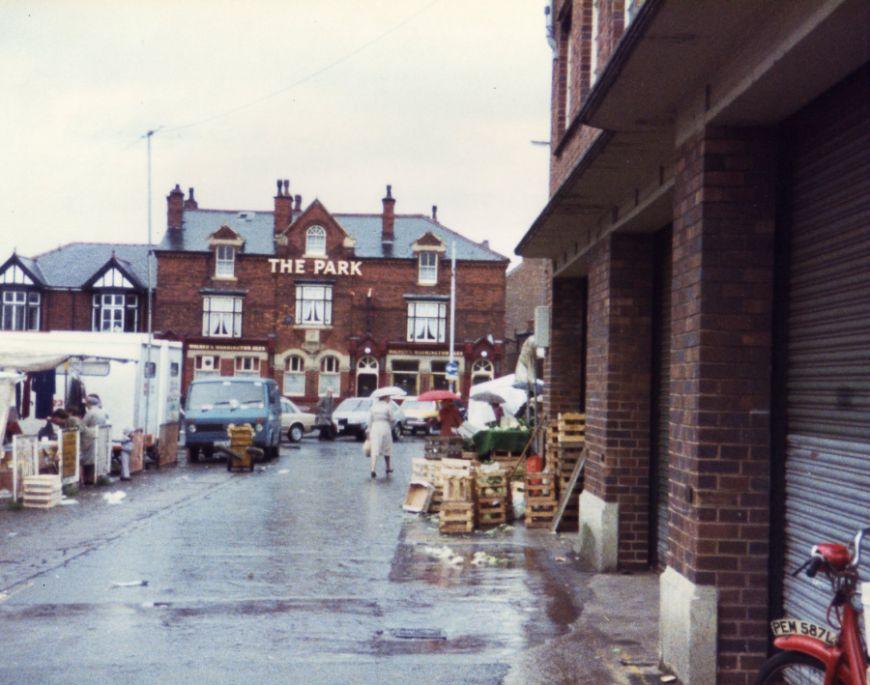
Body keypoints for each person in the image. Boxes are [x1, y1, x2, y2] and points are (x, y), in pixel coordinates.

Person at [367, 395, 394, 479]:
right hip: (385, 427)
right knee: (387, 448)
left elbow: (369, 420)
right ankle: (388, 467)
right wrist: (391, 425)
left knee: (374, 449)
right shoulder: (388, 407)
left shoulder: (373, 407)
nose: (389, 399)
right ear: (385, 398)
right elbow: (392, 419)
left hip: (375, 428)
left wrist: (368, 430)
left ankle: (373, 469)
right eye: (389, 398)